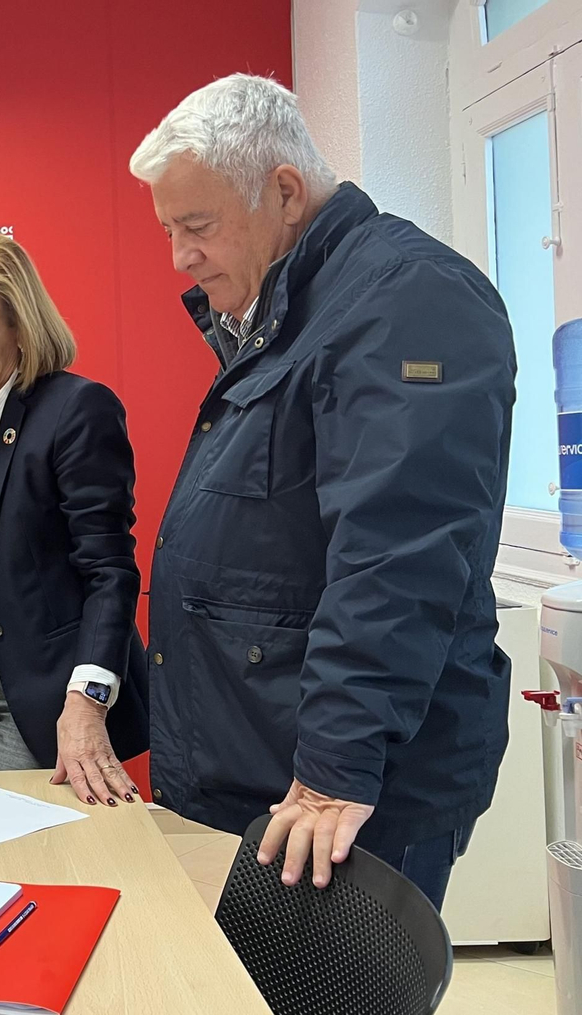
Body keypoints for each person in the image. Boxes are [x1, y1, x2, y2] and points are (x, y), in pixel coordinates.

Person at [128, 74, 515, 909]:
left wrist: (334, 770)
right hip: (270, 773)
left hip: (344, 797)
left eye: (197, 226)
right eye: (168, 230)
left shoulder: (407, 300)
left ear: (285, 191)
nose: (180, 258)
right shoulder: (293, 307)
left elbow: (397, 555)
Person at [0, 231, 148, 805]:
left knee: (2, 839)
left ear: (20, 329)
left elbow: (110, 573)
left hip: (45, 685)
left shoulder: (76, 411)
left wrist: (87, 700)